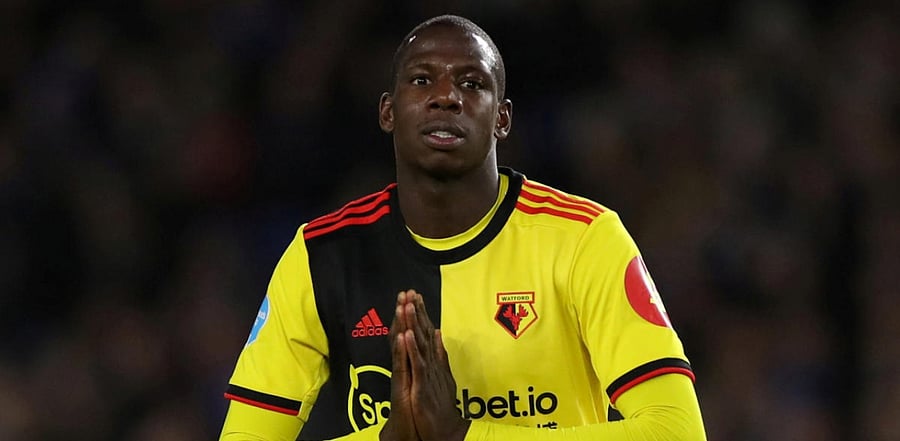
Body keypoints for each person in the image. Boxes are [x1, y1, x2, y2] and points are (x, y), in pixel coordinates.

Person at [219, 14, 707, 441]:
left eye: (472, 83)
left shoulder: (585, 238)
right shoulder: (321, 254)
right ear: (388, 112)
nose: (446, 97)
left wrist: (463, 435)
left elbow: (677, 430)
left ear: (503, 118)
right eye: (421, 81)